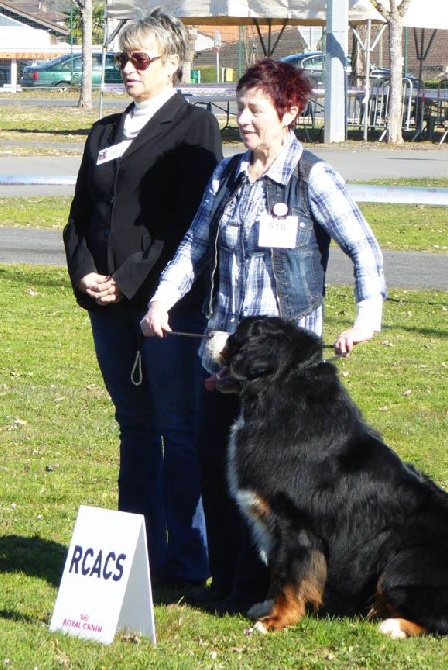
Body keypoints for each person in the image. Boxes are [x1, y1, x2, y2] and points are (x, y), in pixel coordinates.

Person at [140, 58, 386, 613]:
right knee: (218, 472)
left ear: (290, 112)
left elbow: (363, 249)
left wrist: (366, 315)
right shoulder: (226, 175)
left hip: (285, 377)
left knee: (282, 491)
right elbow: (194, 248)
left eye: (255, 109)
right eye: (240, 106)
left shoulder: (312, 177)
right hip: (224, 364)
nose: (243, 119)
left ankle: (282, 589)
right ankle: (229, 585)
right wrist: (162, 301)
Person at [63, 9, 223, 589]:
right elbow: (79, 219)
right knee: (133, 426)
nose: (126, 70)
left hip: (167, 308)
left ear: (173, 64)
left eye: (139, 59)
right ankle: (138, 557)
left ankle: (186, 560)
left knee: (178, 431)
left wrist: (129, 280)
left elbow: (186, 222)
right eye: (120, 59)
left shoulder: (194, 126)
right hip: (106, 308)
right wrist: (86, 275)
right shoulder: (104, 131)